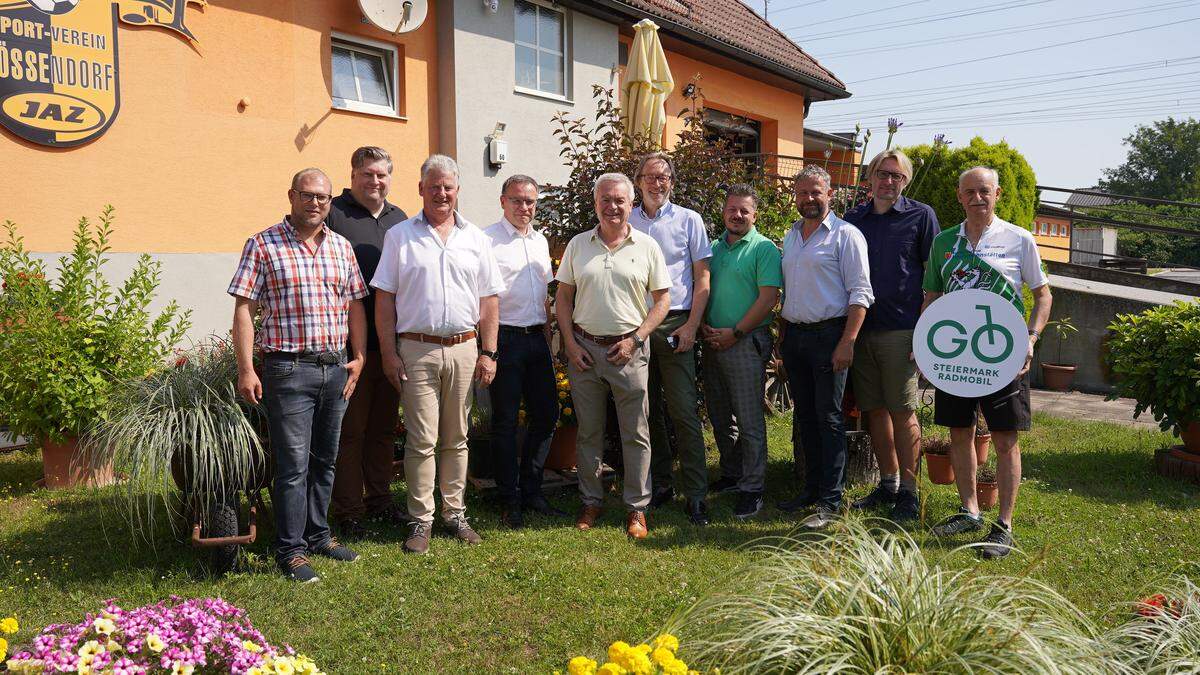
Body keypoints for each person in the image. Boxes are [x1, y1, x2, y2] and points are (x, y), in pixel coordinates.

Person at [228, 168, 368, 582]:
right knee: (292, 465)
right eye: (307, 195)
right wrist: (246, 368)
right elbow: (243, 310)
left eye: (323, 197)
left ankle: (319, 535)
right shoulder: (263, 244)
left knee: (326, 459)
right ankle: (290, 550)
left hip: (335, 368)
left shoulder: (342, 247)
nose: (315, 203)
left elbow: (356, 305)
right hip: (288, 369)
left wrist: (358, 356)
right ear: (291, 196)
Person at [371, 154, 504, 554]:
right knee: (421, 439)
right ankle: (420, 519)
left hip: (465, 348)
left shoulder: (477, 239)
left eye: (448, 187)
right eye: (434, 186)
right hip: (416, 349)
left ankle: (455, 513)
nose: (441, 193)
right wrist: (389, 354)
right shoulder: (400, 236)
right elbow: (384, 300)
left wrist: (489, 352)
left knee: (457, 438)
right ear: (420, 190)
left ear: (457, 191)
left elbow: (489, 302)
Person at [924, 166, 1051, 559]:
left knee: (1004, 438)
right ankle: (969, 511)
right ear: (959, 197)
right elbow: (931, 299)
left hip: (1004, 356)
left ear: (996, 194)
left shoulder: (1019, 239)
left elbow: (1043, 296)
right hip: (957, 356)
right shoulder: (944, 242)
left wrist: (1030, 339)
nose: (977, 198)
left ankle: (1004, 525)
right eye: (969, 192)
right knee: (959, 433)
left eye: (984, 191)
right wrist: (925, 345)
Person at [555, 172, 670, 540]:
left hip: (629, 350)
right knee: (589, 432)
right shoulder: (578, 244)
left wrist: (637, 339)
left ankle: (637, 509)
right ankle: (591, 501)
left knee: (635, 433)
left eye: (620, 200)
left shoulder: (647, 246)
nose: (613, 206)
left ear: (631, 204)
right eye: (605, 199)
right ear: (596, 203)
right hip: (585, 350)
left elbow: (663, 300)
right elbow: (562, 299)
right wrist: (571, 345)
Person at [842, 149, 939, 524]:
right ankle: (888, 482)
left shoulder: (921, 216)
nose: (889, 182)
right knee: (873, 410)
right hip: (861, 328)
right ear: (869, 177)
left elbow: (935, 275)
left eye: (897, 176)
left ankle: (910, 494)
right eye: (883, 174)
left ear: (906, 181)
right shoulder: (853, 220)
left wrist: (926, 329)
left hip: (902, 329)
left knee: (903, 410)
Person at [777, 165, 874, 530]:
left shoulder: (846, 236)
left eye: (816, 192)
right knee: (804, 417)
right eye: (802, 193)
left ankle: (831, 500)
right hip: (796, 338)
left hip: (830, 337)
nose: (809, 199)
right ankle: (812, 490)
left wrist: (847, 342)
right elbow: (789, 291)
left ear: (829, 194)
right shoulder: (791, 236)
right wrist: (783, 335)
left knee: (830, 418)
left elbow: (861, 294)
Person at [327, 146, 410, 536]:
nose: (375, 182)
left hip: (390, 345)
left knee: (382, 429)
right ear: (353, 174)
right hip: (349, 346)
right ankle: (349, 510)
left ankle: (379, 500)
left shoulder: (400, 219)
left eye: (382, 175)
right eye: (367, 174)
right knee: (351, 432)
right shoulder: (334, 213)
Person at [628, 152, 713, 526]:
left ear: (672, 183)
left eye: (663, 177)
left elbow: (703, 280)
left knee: (682, 411)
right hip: (634, 326)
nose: (656, 183)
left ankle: (696, 494)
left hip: (676, 322)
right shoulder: (625, 220)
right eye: (650, 176)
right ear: (638, 181)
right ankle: (660, 485)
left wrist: (693, 325)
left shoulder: (689, 220)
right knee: (646, 414)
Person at [484, 175, 567, 528]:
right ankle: (508, 498)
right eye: (518, 200)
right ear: (503, 201)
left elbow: (543, 299)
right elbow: (482, 299)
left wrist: (549, 343)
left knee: (547, 415)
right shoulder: (486, 240)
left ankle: (532, 489)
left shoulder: (539, 240)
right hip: (504, 339)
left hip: (536, 339)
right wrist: (486, 349)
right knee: (503, 422)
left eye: (531, 201)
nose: (525, 208)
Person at [700, 184, 782, 520]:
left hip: (744, 341)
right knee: (720, 415)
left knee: (749, 419)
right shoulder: (713, 248)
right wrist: (706, 327)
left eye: (744, 210)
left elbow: (768, 298)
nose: (737, 215)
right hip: (712, 340)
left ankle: (753, 488)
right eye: (732, 209)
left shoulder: (763, 250)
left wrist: (735, 333)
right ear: (724, 212)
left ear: (755, 214)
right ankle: (733, 474)